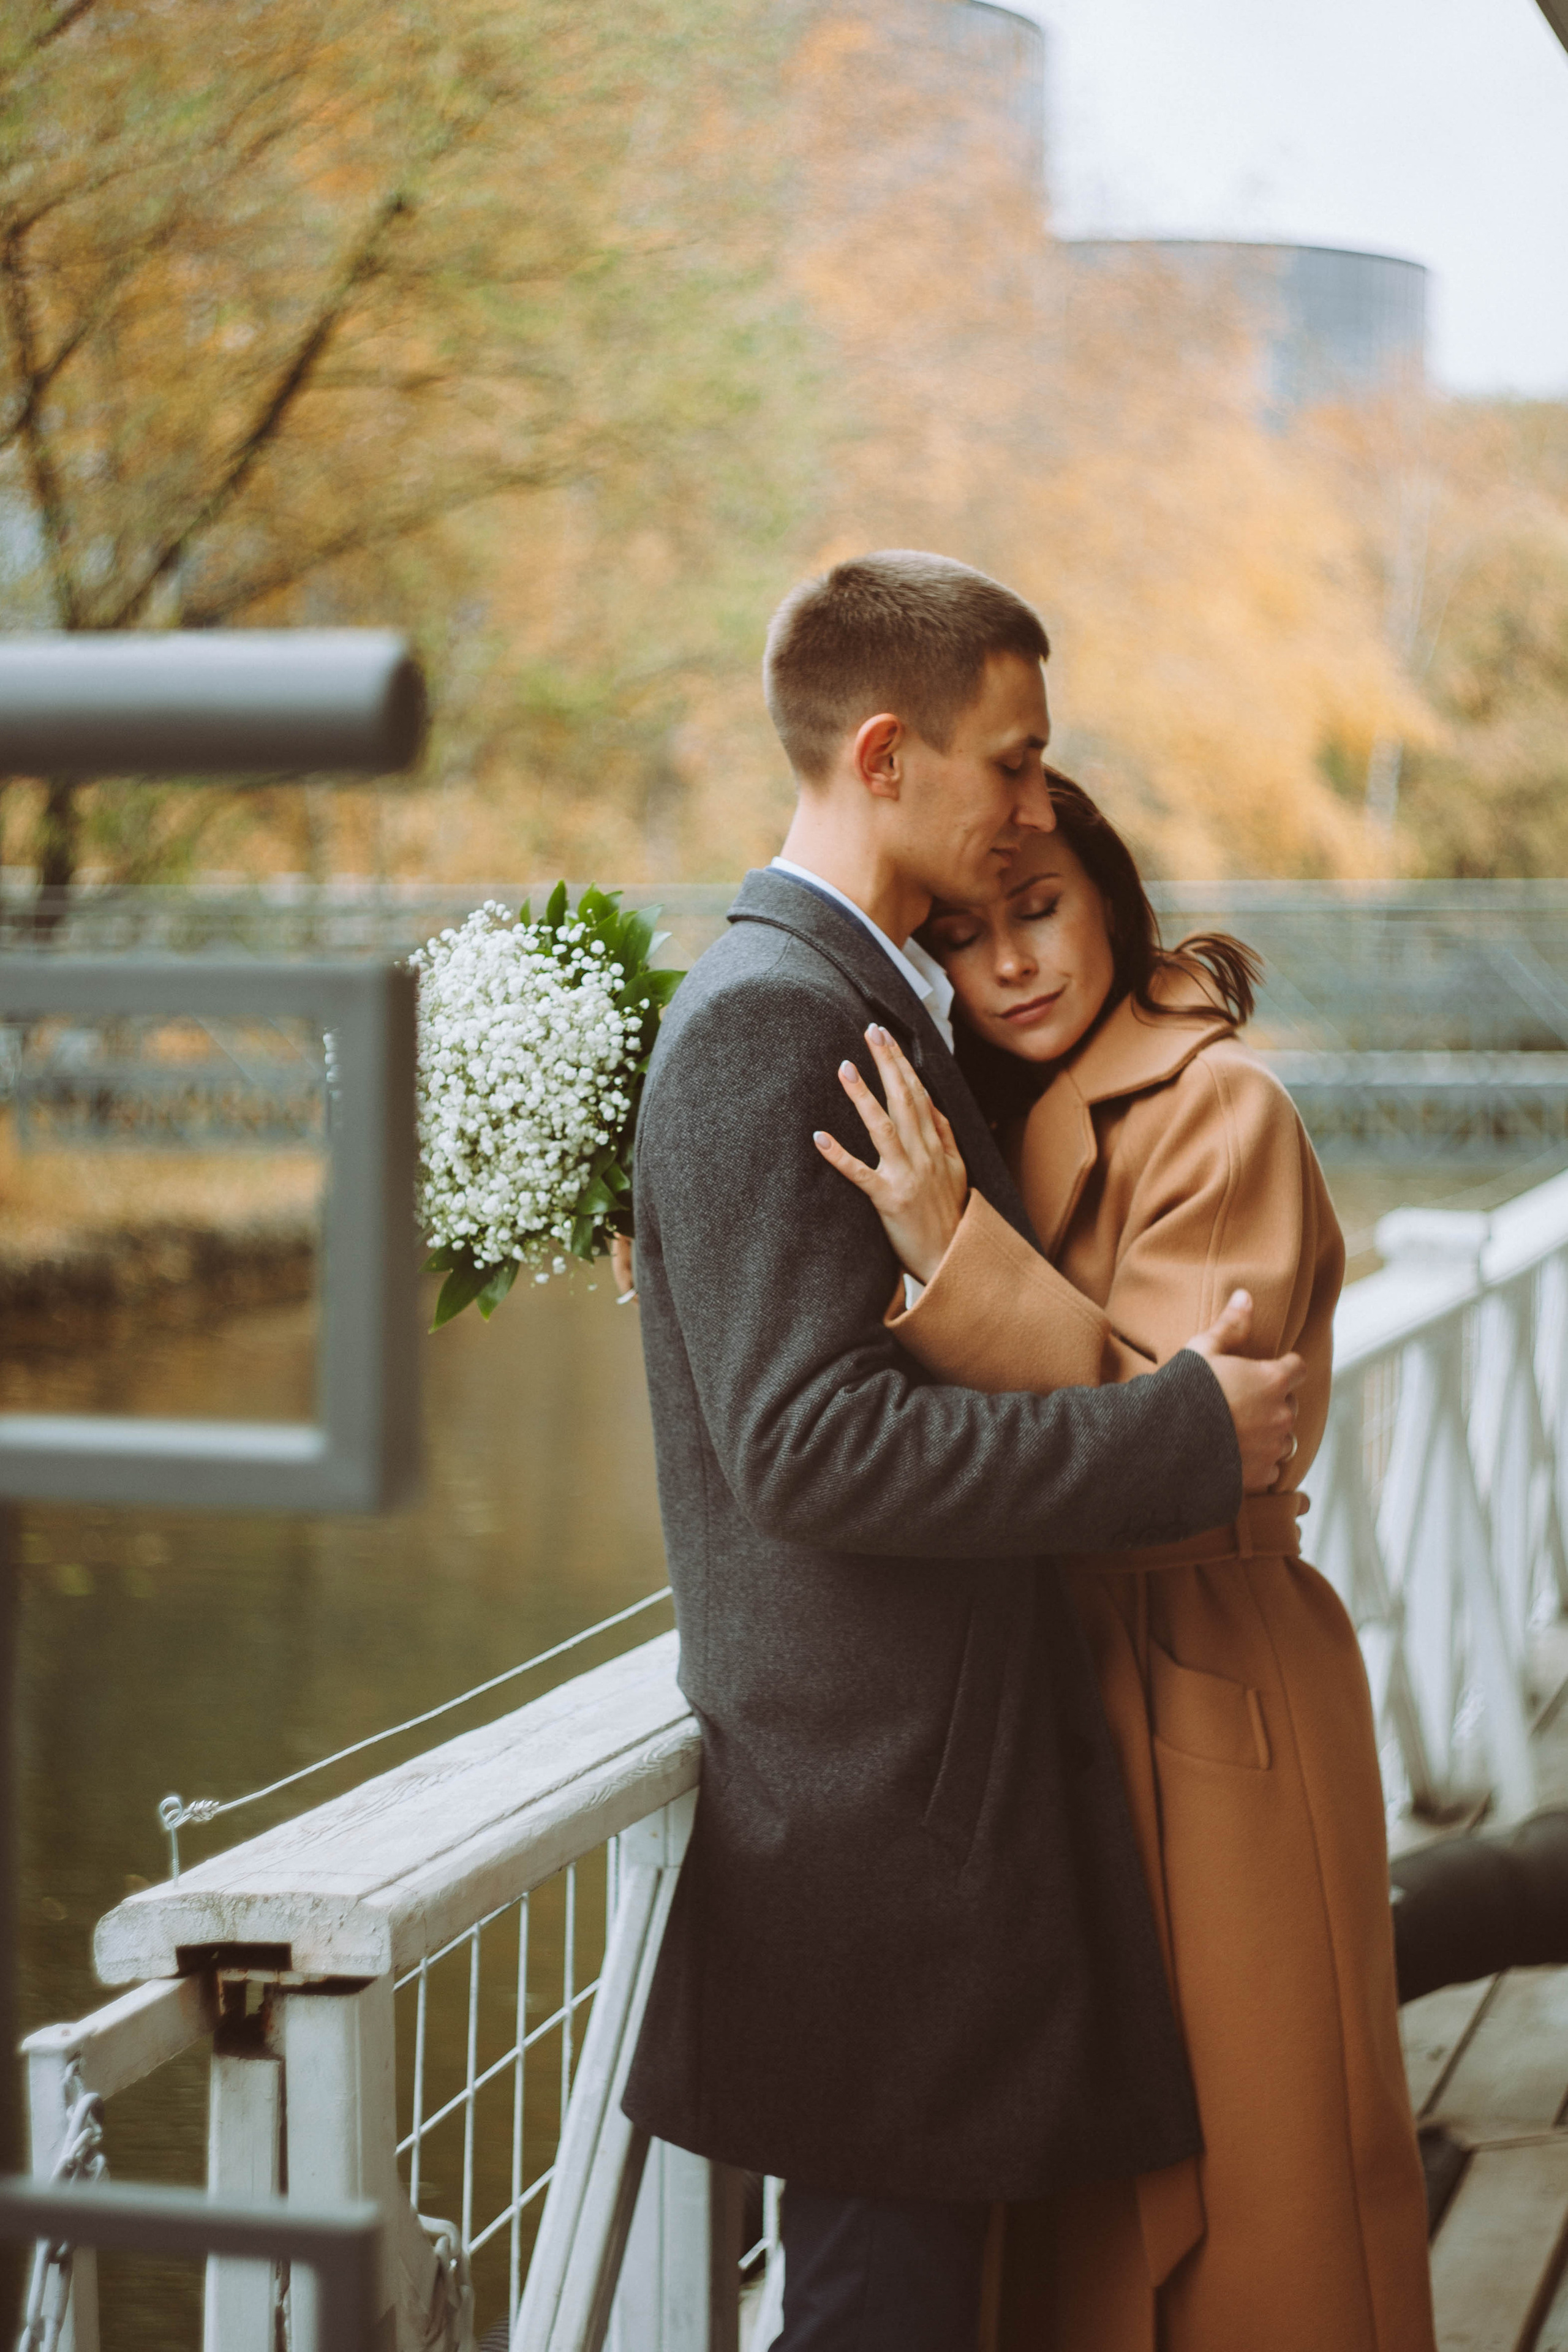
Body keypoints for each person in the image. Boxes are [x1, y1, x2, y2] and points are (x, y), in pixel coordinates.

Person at [619, 551, 1304, 2352]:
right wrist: (1176, 1441)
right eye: (1008, 764)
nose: (1026, 811)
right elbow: (809, 1450)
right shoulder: (772, 1019)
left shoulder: (848, 999)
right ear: (882, 755)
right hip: (874, 1853)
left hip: (936, 1838)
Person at [813, 770, 1434, 2352]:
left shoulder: (1219, 1109)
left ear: (1111, 899)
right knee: (1094, 2218)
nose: (1012, 960)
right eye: (963, 932)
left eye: (1042, 910)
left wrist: (956, 1268)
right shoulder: (977, 1114)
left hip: (1207, 1671)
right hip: (1061, 1698)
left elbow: (1173, 1459)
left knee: (1260, 2206)